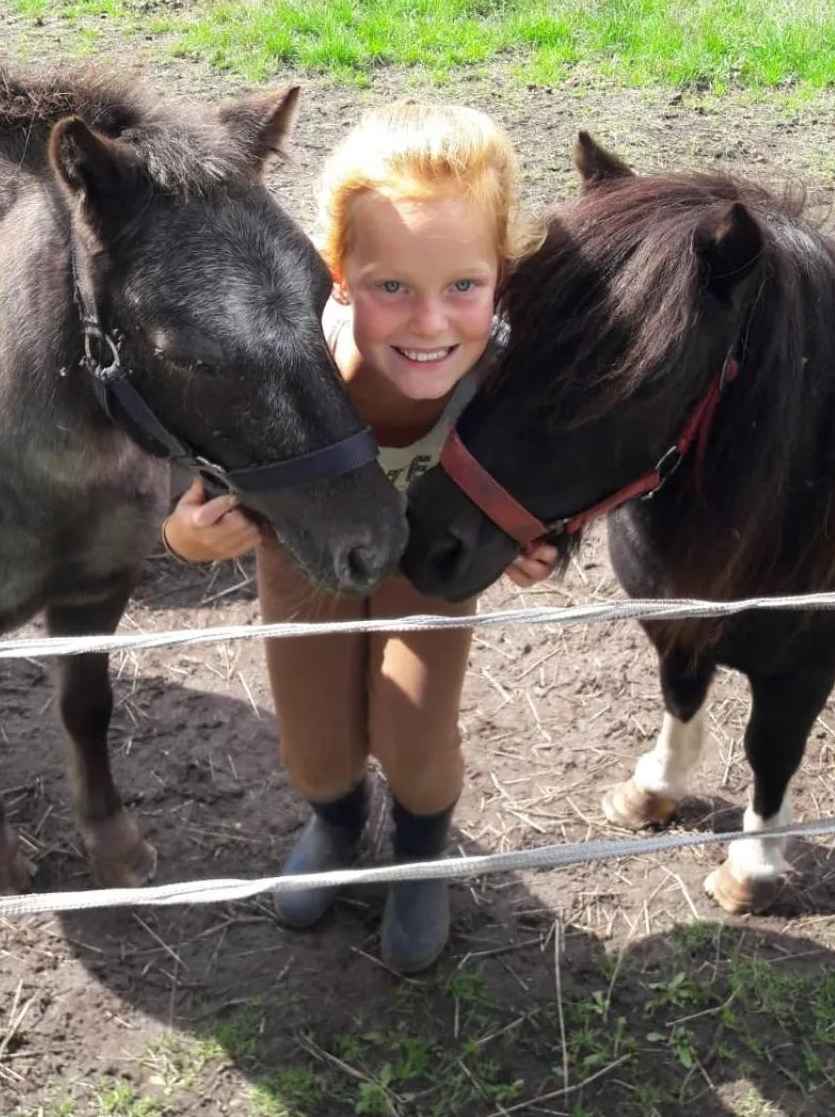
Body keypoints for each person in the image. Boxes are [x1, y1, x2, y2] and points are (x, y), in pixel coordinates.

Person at [162, 100, 557, 974]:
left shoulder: (506, 379)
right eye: (392, 288)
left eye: (464, 286)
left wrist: (539, 547)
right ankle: (336, 825)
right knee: (314, 742)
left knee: (416, 734)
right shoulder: (292, 369)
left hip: (431, 561)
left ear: (501, 272)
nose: (430, 323)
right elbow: (197, 499)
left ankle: (419, 851)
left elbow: (551, 484)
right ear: (337, 275)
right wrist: (190, 537)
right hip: (306, 558)